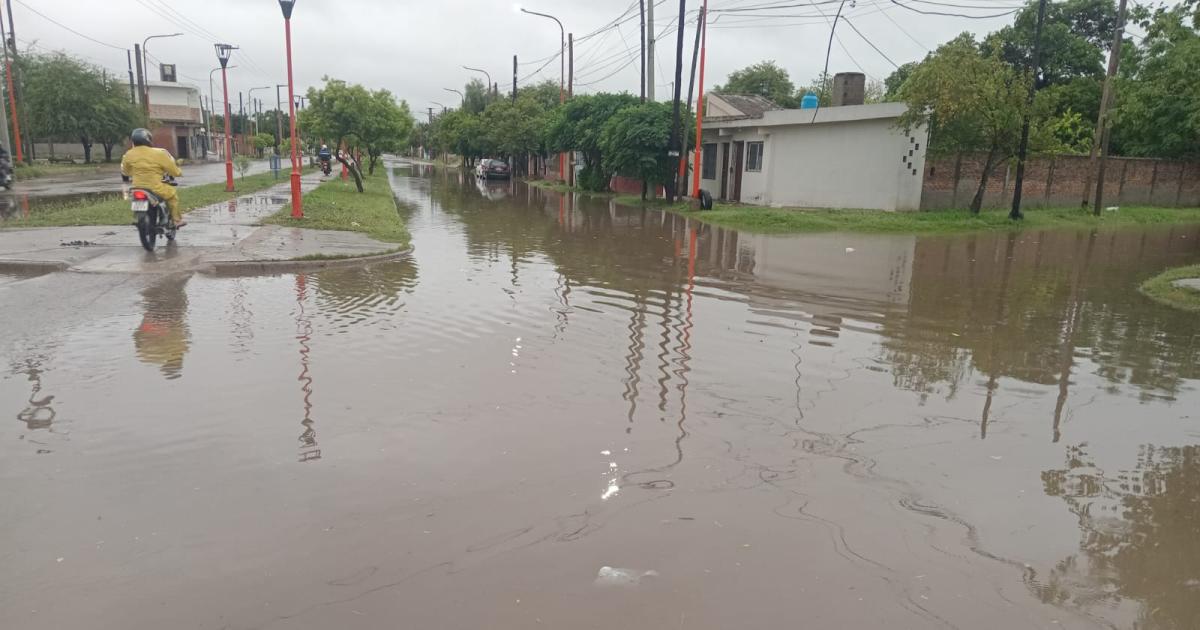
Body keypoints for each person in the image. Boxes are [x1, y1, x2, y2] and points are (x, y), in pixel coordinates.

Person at [121, 128, 185, 227]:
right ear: (148, 139)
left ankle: (139, 218)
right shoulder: (159, 153)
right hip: (155, 188)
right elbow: (173, 170)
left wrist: (135, 173)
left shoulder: (128, 154)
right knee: (172, 195)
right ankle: (176, 220)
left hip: (136, 188)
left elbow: (125, 171)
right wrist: (179, 172)